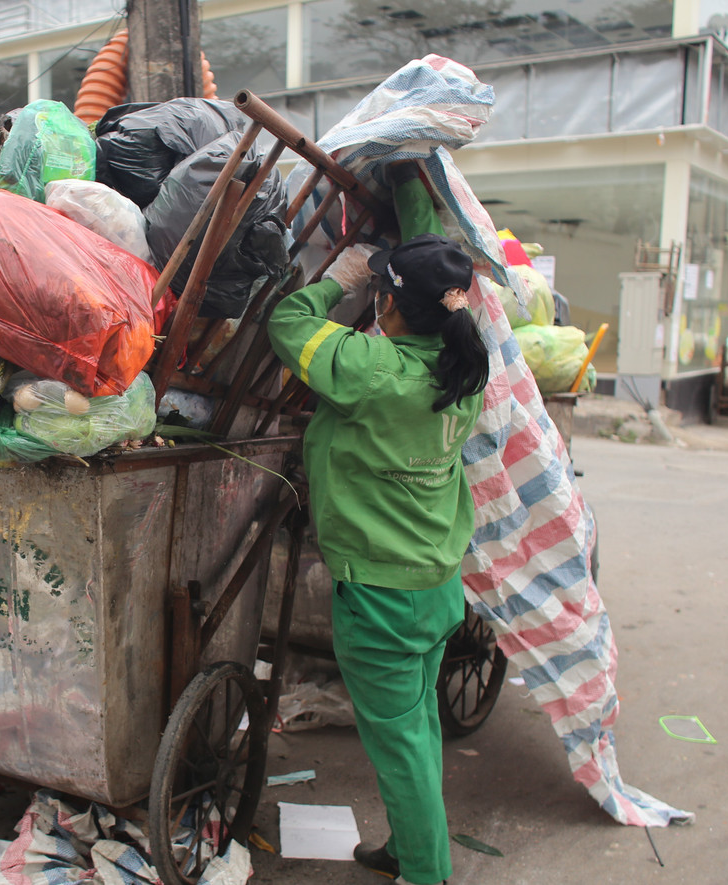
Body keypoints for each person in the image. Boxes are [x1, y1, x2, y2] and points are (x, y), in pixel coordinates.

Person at [266, 173, 488, 885]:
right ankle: (407, 847)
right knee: (415, 730)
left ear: (388, 305)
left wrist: (339, 279)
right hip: (433, 586)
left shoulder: (372, 370)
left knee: (401, 742)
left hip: (384, 601)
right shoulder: (464, 369)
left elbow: (286, 326)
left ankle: (428, 872)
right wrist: (405, 181)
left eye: (384, 292)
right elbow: (434, 273)